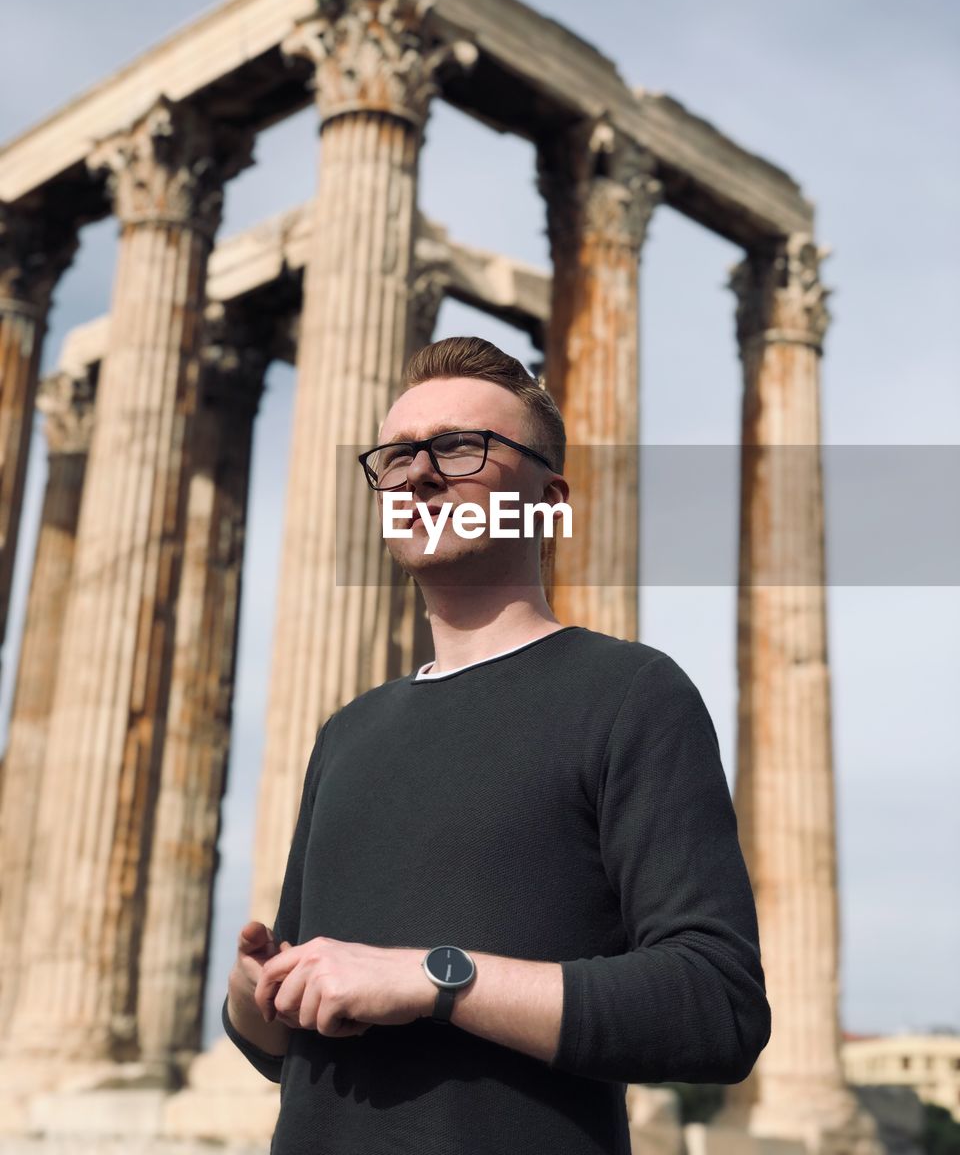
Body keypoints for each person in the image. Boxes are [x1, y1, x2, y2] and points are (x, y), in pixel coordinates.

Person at [222, 336, 771, 1155]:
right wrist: (256, 992)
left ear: (547, 500)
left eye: (458, 446)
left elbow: (716, 1007)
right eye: (397, 454)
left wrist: (433, 979)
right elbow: (290, 1056)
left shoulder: (628, 695)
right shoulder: (348, 732)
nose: (417, 472)